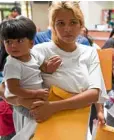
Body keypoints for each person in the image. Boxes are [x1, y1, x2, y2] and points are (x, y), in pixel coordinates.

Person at [0, 1, 108, 139]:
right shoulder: (38, 50)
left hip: (76, 123)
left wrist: (52, 107)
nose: (67, 29)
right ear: (53, 26)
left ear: (81, 24)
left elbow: (94, 93)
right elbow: (4, 88)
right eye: (61, 23)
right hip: (39, 124)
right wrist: (22, 101)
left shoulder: (89, 52)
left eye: (73, 22)